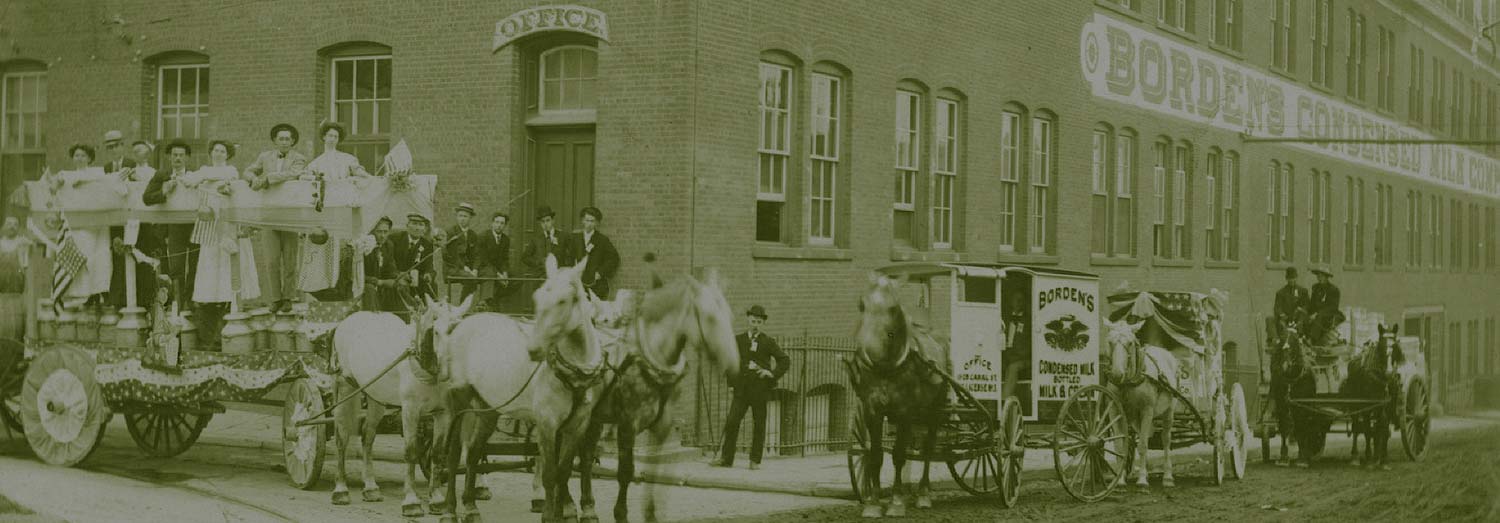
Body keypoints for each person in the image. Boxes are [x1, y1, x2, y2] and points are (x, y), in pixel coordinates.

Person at [185, 140, 258, 351]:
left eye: (223, 151)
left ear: (228, 155)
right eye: (215, 150)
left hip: (228, 224)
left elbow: (230, 178)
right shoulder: (205, 170)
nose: (218, 153)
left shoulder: (230, 170)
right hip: (210, 225)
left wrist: (205, 178)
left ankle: (230, 309)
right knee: (211, 268)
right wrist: (204, 177)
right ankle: (211, 327)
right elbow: (189, 181)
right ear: (210, 153)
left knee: (230, 266)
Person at [711, 305, 788, 470]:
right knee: (732, 422)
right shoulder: (738, 340)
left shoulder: (768, 342)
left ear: (763, 323)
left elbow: (784, 361)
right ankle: (726, 459)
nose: (755, 325)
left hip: (760, 390)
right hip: (742, 390)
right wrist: (732, 385)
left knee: (759, 424)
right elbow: (731, 363)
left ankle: (755, 461)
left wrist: (771, 373)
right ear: (748, 319)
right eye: (753, 321)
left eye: (759, 322)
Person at [243, 123, 309, 310]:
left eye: (288, 138)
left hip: (290, 215)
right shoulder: (264, 157)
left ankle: (288, 297)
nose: (284, 142)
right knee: (271, 260)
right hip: (268, 214)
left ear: (293, 141)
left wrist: (268, 178)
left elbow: (293, 174)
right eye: (281, 138)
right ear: (274, 141)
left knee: (289, 260)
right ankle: (275, 298)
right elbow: (248, 171)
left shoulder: (299, 158)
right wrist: (253, 179)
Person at [54, 144, 114, 305]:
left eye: (83, 156)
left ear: (89, 158)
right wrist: (60, 182)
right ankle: (77, 294)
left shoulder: (97, 173)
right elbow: (53, 187)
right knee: (77, 257)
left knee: (94, 258)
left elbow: (103, 181)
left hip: (93, 225)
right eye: (76, 156)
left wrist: (82, 180)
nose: (79, 158)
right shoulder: (65, 175)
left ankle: (94, 293)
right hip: (75, 225)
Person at [142, 141, 200, 304]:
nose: (178, 158)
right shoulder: (162, 175)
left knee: (196, 265)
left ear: (187, 158)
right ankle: (178, 304)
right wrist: (164, 191)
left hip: (195, 226)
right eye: (175, 155)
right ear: (169, 157)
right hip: (174, 227)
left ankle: (190, 302)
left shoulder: (195, 176)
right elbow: (146, 198)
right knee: (176, 267)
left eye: (181, 155)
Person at [564, 206, 619, 299]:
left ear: (596, 223)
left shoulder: (602, 240)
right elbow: (568, 257)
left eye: (592, 221)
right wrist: (572, 272)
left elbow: (614, 258)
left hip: (596, 285)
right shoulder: (574, 238)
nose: (589, 224)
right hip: (578, 284)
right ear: (582, 221)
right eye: (587, 220)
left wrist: (601, 273)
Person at [387, 213, 435, 301]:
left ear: (424, 229)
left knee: (432, 286)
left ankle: (428, 309)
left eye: (421, 225)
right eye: (414, 224)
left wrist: (428, 274)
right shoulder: (394, 239)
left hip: (416, 280)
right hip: (397, 277)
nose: (417, 228)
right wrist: (399, 274)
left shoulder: (427, 245)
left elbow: (429, 266)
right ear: (407, 226)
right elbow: (389, 262)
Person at [306, 122, 371, 180]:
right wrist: (316, 178)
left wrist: (352, 179)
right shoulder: (316, 163)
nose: (333, 139)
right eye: (330, 136)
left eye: (336, 137)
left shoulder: (348, 158)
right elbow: (304, 176)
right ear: (324, 137)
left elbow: (362, 174)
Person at [361, 217, 400, 312]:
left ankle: (401, 319)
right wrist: (378, 282)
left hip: (379, 283)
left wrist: (396, 277)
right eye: (379, 232)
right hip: (364, 284)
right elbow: (356, 275)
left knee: (399, 285)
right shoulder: (363, 246)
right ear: (372, 232)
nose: (383, 236)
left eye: (385, 232)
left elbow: (391, 268)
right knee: (369, 288)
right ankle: (373, 319)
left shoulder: (388, 245)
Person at [1000, 290, 1031, 406]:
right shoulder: (1006, 319)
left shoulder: (1028, 320)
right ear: (1011, 302)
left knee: (1013, 367)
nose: (1019, 303)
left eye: (1021, 300)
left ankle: (1004, 401)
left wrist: (1015, 357)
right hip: (1009, 356)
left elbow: (1029, 346)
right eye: (1016, 300)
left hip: (1023, 359)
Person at [476, 212, 512, 311]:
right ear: (492, 223)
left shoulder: (506, 240)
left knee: (517, 279)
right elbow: (484, 260)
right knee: (490, 272)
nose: (499, 225)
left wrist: (505, 273)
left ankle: (494, 298)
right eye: (497, 222)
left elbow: (505, 259)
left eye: (502, 223)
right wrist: (498, 275)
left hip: (498, 271)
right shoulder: (483, 236)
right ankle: (484, 302)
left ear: (505, 225)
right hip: (483, 268)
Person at [0, 217, 29, 340]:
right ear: (3, 227)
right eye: (9, 224)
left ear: (18, 228)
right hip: (1, 294)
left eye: (15, 224)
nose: (12, 227)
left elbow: (26, 267)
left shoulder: (22, 244)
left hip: (18, 295)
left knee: (17, 323)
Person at [445, 203, 481, 302]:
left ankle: (481, 305)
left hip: (468, 269)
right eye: (460, 216)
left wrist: (475, 269)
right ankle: (463, 307)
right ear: (457, 217)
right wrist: (464, 268)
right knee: (471, 279)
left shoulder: (472, 235)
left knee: (486, 276)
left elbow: (477, 254)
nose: (462, 219)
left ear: (470, 218)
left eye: (465, 216)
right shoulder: (450, 232)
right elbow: (451, 255)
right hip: (453, 267)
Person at [1307, 268, 1343, 345]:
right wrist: (1308, 312)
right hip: (1316, 313)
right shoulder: (1315, 287)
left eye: (1322, 276)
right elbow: (1312, 303)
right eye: (1318, 276)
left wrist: (1316, 313)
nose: (1319, 278)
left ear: (1327, 277)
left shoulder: (1334, 290)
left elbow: (1333, 307)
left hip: (1328, 314)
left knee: (1319, 316)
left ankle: (1312, 339)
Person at [1273, 267, 1310, 334]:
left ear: (1296, 278)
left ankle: (1301, 337)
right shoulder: (1281, 293)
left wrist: (1301, 309)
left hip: (1298, 318)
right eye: (1290, 278)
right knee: (1279, 323)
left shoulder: (1303, 291)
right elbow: (1277, 307)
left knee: (1302, 321)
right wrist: (1282, 314)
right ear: (1286, 279)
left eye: (1294, 278)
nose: (1292, 280)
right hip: (1286, 318)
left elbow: (1307, 305)